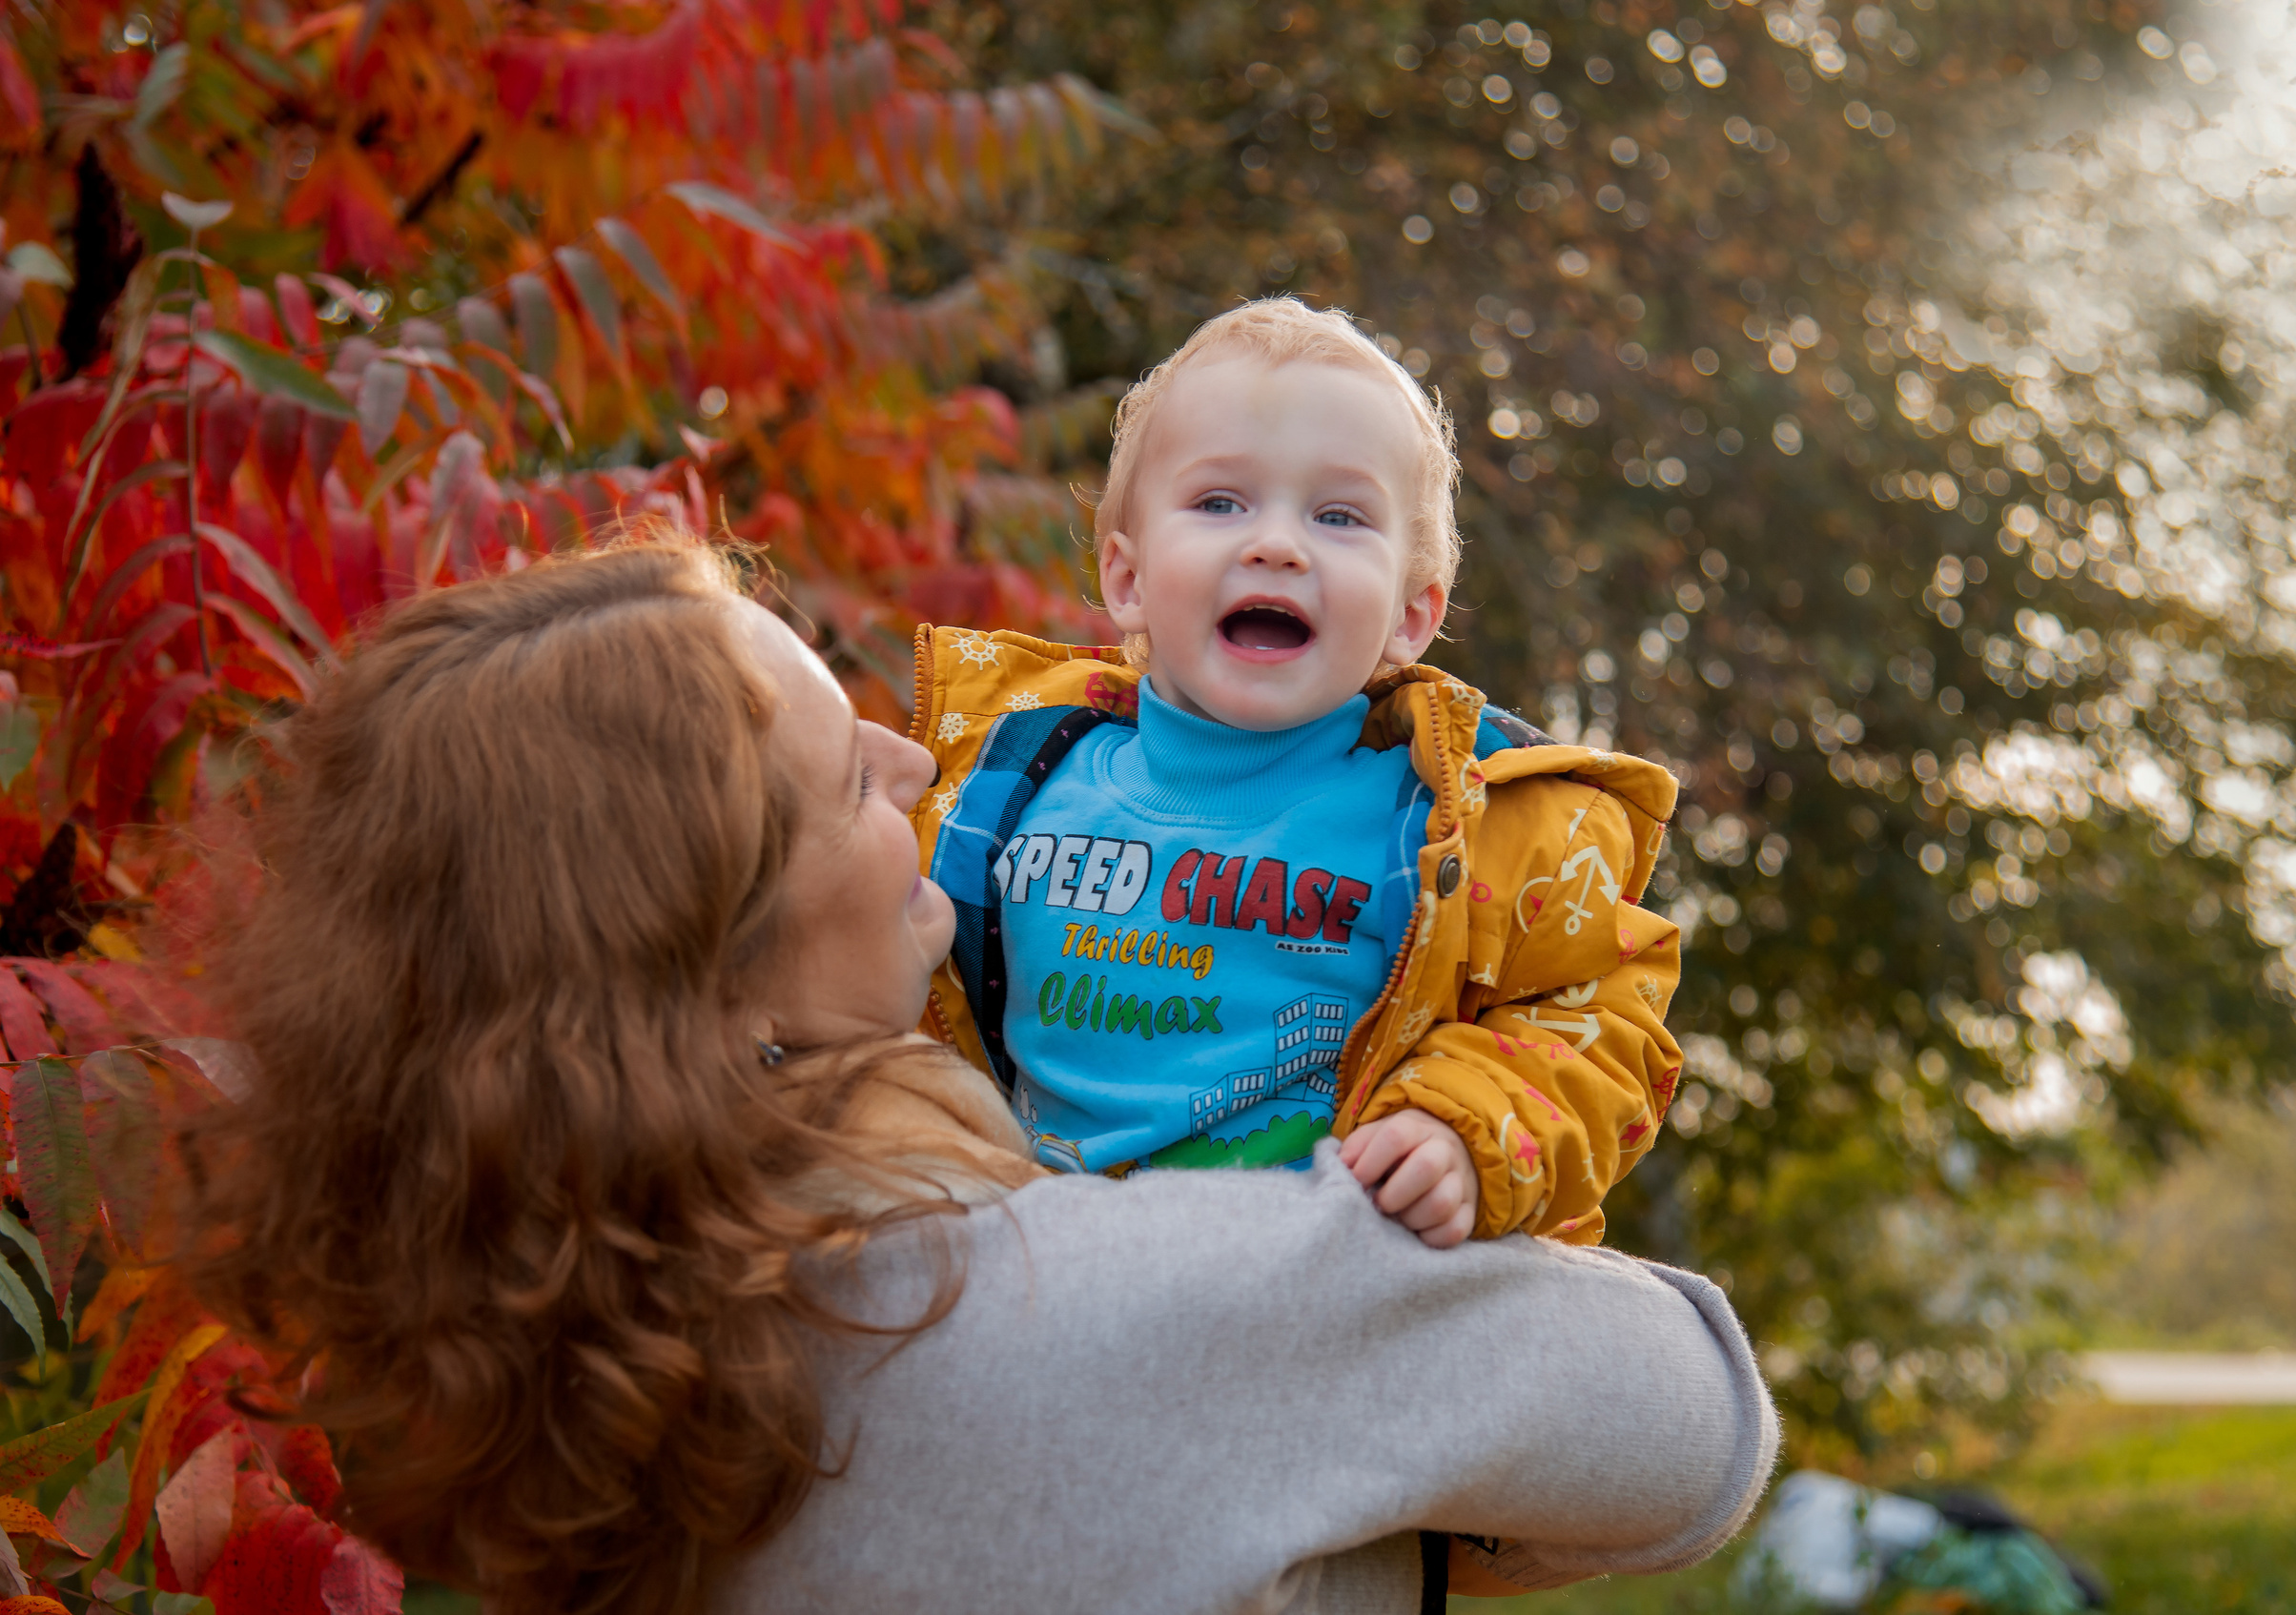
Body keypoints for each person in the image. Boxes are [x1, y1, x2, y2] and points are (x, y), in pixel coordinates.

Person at [179, 537, 1777, 1615]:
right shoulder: (1103, 1307)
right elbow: (1691, 1420)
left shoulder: (529, 1366)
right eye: (834, 776)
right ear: (709, 973)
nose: (908, 756)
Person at [914, 296, 1683, 1247]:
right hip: (1045, 1271)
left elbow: (1599, 1019)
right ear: (1128, 579)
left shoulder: (1463, 823)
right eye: (1219, 502)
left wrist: (1466, 1123)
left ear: (1411, 614)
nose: (1277, 542)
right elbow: (867, 991)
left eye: (1338, 514)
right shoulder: (995, 783)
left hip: (1323, 1286)